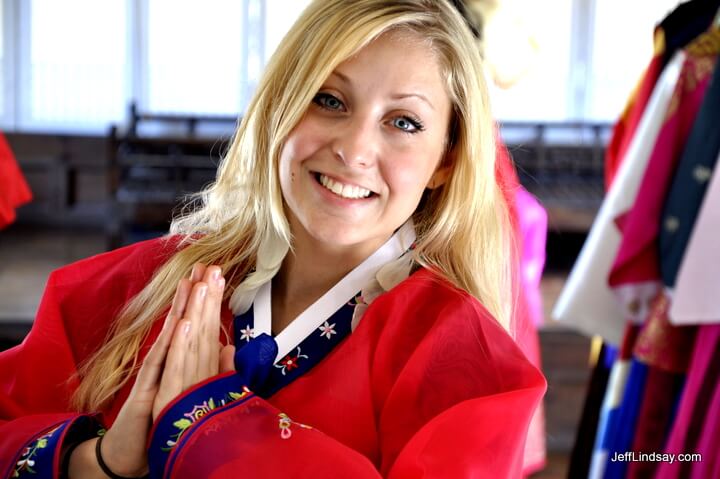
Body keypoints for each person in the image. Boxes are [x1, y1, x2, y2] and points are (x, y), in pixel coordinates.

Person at [0, 0, 546, 477]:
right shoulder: (126, 291)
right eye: (329, 100)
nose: (354, 149)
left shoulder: (470, 370)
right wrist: (99, 462)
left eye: (403, 122)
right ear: (281, 106)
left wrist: (215, 422)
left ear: (445, 161)